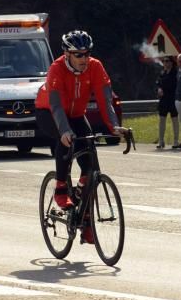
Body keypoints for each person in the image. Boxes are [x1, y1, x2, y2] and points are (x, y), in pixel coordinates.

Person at [34, 30, 125, 244]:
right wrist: (64, 131)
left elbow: (105, 100)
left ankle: (86, 221)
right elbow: (55, 105)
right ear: (67, 54)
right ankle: (60, 188)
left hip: (76, 114)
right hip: (49, 113)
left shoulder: (95, 67)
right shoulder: (56, 69)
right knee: (65, 140)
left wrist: (115, 127)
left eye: (86, 53)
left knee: (92, 165)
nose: (84, 59)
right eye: (79, 55)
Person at [155, 55, 179, 149]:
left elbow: (175, 85)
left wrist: (163, 88)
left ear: (172, 62)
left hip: (173, 99)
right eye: (164, 61)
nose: (165, 63)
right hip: (163, 100)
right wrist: (158, 89)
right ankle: (161, 141)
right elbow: (157, 83)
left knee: (175, 120)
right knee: (162, 120)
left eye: (167, 61)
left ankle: (176, 141)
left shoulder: (176, 73)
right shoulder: (162, 73)